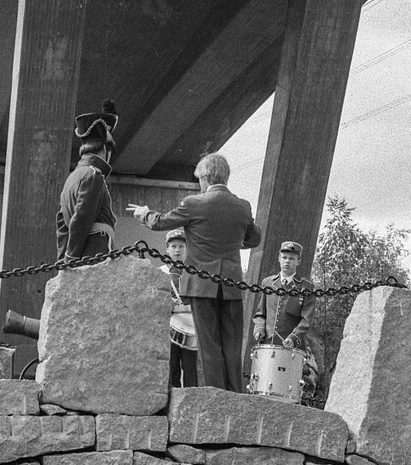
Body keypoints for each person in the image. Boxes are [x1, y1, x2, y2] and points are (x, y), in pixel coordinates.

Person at [128, 152, 261, 393]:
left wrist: (143, 213)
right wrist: (231, 242)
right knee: (231, 345)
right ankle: (235, 394)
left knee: (209, 345)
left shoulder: (194, 204)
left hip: (201, 285)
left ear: (206, 178)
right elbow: (254, 238)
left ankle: (216, 394)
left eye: (200, 179)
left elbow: (160, 222)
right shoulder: (243, 206)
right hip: (231, 285)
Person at [56, 99, 118, 262]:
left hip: (80, 253)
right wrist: (71, 256)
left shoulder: (74, 176)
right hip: (94, 251)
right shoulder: (93, 176)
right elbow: (81, 219)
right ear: (105, 149)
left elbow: (63, 225)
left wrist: (64, 258)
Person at [252, 241, 315, 350]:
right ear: (279, 259)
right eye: (284, 257)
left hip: (292, 349)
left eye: (291, 259)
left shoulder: (306, 287)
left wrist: (294, 338)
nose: (287, 261)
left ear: (298, 261)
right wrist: (259, 330)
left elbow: (306, 320)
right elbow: (260, 314)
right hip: (267, 346)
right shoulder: (267, 283)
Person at [163, 228, 198, 388]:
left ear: (186, 249)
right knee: (171, 367)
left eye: (181, 246)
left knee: (190, 368)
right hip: (168, 327)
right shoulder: (160, 273)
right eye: (173, 246)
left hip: (190, 326)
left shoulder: (194, 274)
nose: (177, 250)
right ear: (167, 249)